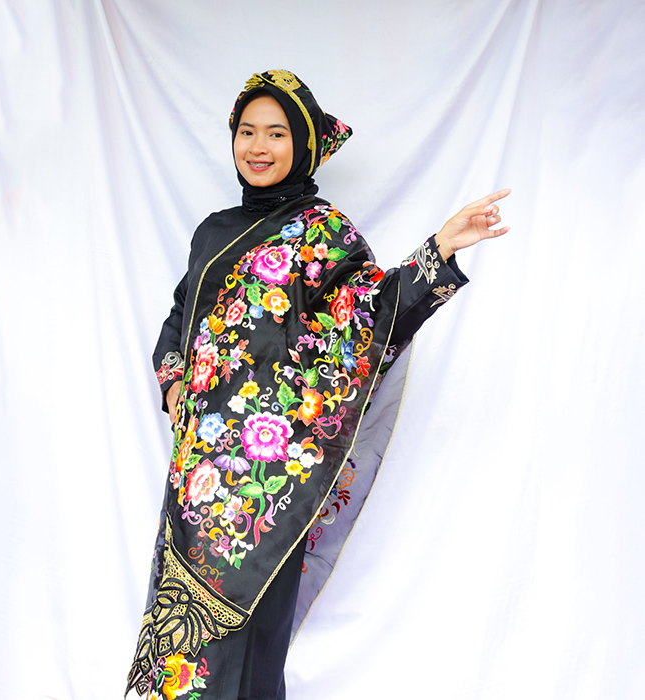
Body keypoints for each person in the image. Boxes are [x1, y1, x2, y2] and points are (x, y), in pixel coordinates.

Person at [126, 69, 510, 700]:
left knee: (252, 640)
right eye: (247, 131)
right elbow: (180, 318)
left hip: (270, 485)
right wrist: (173, 383)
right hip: (198, 476)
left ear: (304, 144)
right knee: (183, 645)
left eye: (276, 133)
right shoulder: (214, 231)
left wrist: (440, 248)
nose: (258, 146)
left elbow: (373, 314)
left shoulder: (325, 233)